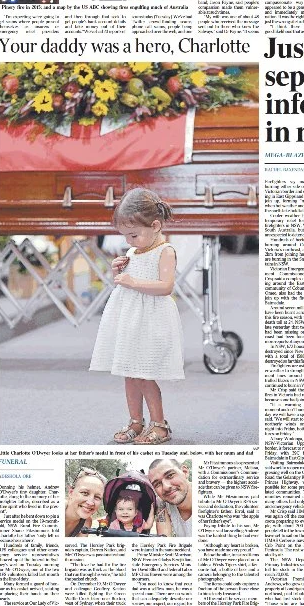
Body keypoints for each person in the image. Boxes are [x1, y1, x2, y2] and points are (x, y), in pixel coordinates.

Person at [89, 187, 185, 444]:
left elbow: (166, 287)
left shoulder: (165, 251)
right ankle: (135, 421)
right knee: (129, 372)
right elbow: (126, 283)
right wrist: (118, 273)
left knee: (143, 372)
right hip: (129, 318)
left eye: (133, 235)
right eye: (125, 236)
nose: (129, 241)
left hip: (151, 319)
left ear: (155, 226)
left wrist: (133, 281)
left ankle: (159, 424)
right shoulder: (133, 251)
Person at [148, 458, 192, 537]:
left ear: (184, 472)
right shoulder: (163, 504)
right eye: (157, 484)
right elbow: (164, 538)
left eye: (170, 475)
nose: (166, 487)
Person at [64, 467, 106, 537]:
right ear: (71, 493)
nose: (90, 502)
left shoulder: (86, 522)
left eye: (97, 497)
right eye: (85, 493)